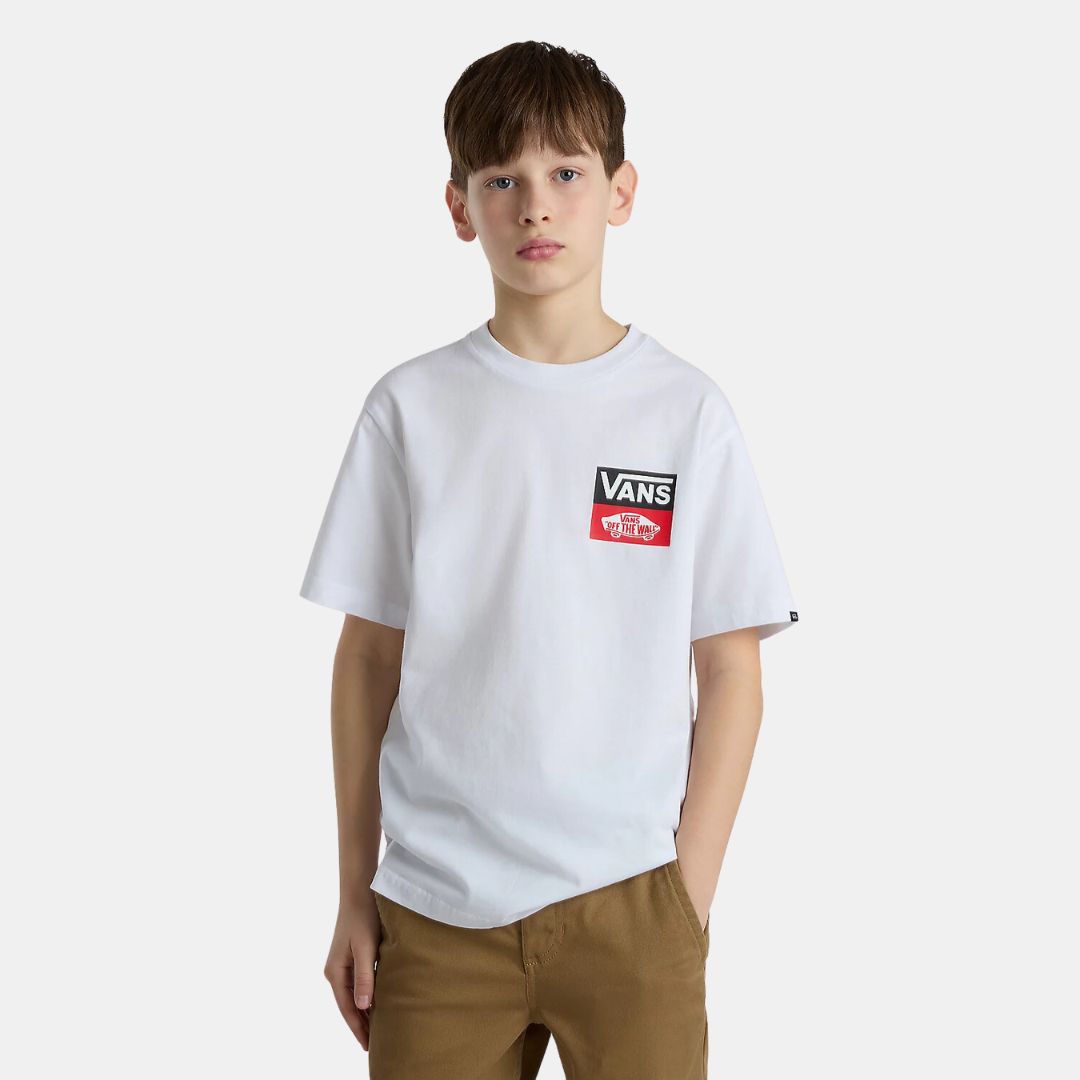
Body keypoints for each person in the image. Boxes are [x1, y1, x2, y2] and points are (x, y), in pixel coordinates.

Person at [299, 39, 799, 1079]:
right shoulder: (410, 409)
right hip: (436, 911)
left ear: (621, 191)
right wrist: (353, 891)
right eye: (502, 180)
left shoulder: (685, 413)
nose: (535, 206)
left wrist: (685, 897)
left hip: (633, 904)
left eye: (566, 172)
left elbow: (731, 670)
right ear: (459, 207)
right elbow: (368, 660)